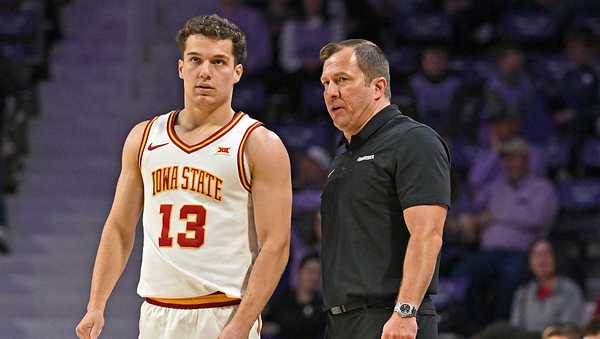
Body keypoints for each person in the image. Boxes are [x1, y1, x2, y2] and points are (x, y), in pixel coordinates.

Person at [75, 14, 292, 339]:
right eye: (195, 60)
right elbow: (119, 227)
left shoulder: (258, 144)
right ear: (181, 68)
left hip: (223, 312)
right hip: (156, 313)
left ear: (237, 72)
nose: (205, 71)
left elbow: (276, 244)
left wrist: (242, 323)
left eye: (219, 61)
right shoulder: (144, 137)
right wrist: (96, 304)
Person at [319, 39, 451, 339]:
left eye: (342, 80)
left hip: (390, 319)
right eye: (325, 83)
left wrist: (405, 312)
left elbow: (428, 235)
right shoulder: (343, 155)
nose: (331, 92)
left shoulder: (415, 141)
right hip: (340, 322)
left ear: (378, 87)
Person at [452, 138, 558, 333]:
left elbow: (537, 218)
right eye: (505, 159)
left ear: (526, 160)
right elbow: (474, 182)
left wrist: (496, 215)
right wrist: (493, 153)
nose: (509, 164)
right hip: (488, 252)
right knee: (464, 271)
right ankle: (471, 330)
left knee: (510, 275)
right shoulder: (496, 186)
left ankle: (503, 330)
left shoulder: (542, 188)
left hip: (521, 253)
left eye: (514, 158)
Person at [510, 238, 585, 332]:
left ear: (556, 257)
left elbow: (570, 329)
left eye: (546, 254)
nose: (541, 259)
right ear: (529, 262)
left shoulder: (570, 290)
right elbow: (514, 329)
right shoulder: (523, 292)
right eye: (536, 255)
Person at [262, 253, 326, 339]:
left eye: (319, 273)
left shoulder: (323, 306)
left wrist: (282, 328)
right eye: (311, 271)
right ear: (299, 272)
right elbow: (266, 326)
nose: (315, 277)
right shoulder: (282, 300)